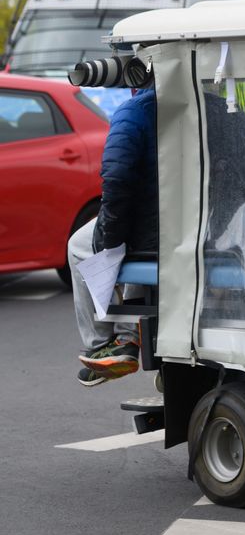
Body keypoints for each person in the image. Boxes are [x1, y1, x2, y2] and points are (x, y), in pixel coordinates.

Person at [72, 86, 157, 385]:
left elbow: (118, 179)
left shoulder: (137, 110)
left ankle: (104, 343)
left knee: (79, 246)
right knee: (134, 238)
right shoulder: (215, 103)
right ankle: (127, 336)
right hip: (204, 226)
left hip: (154, 231)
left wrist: (110, 239)